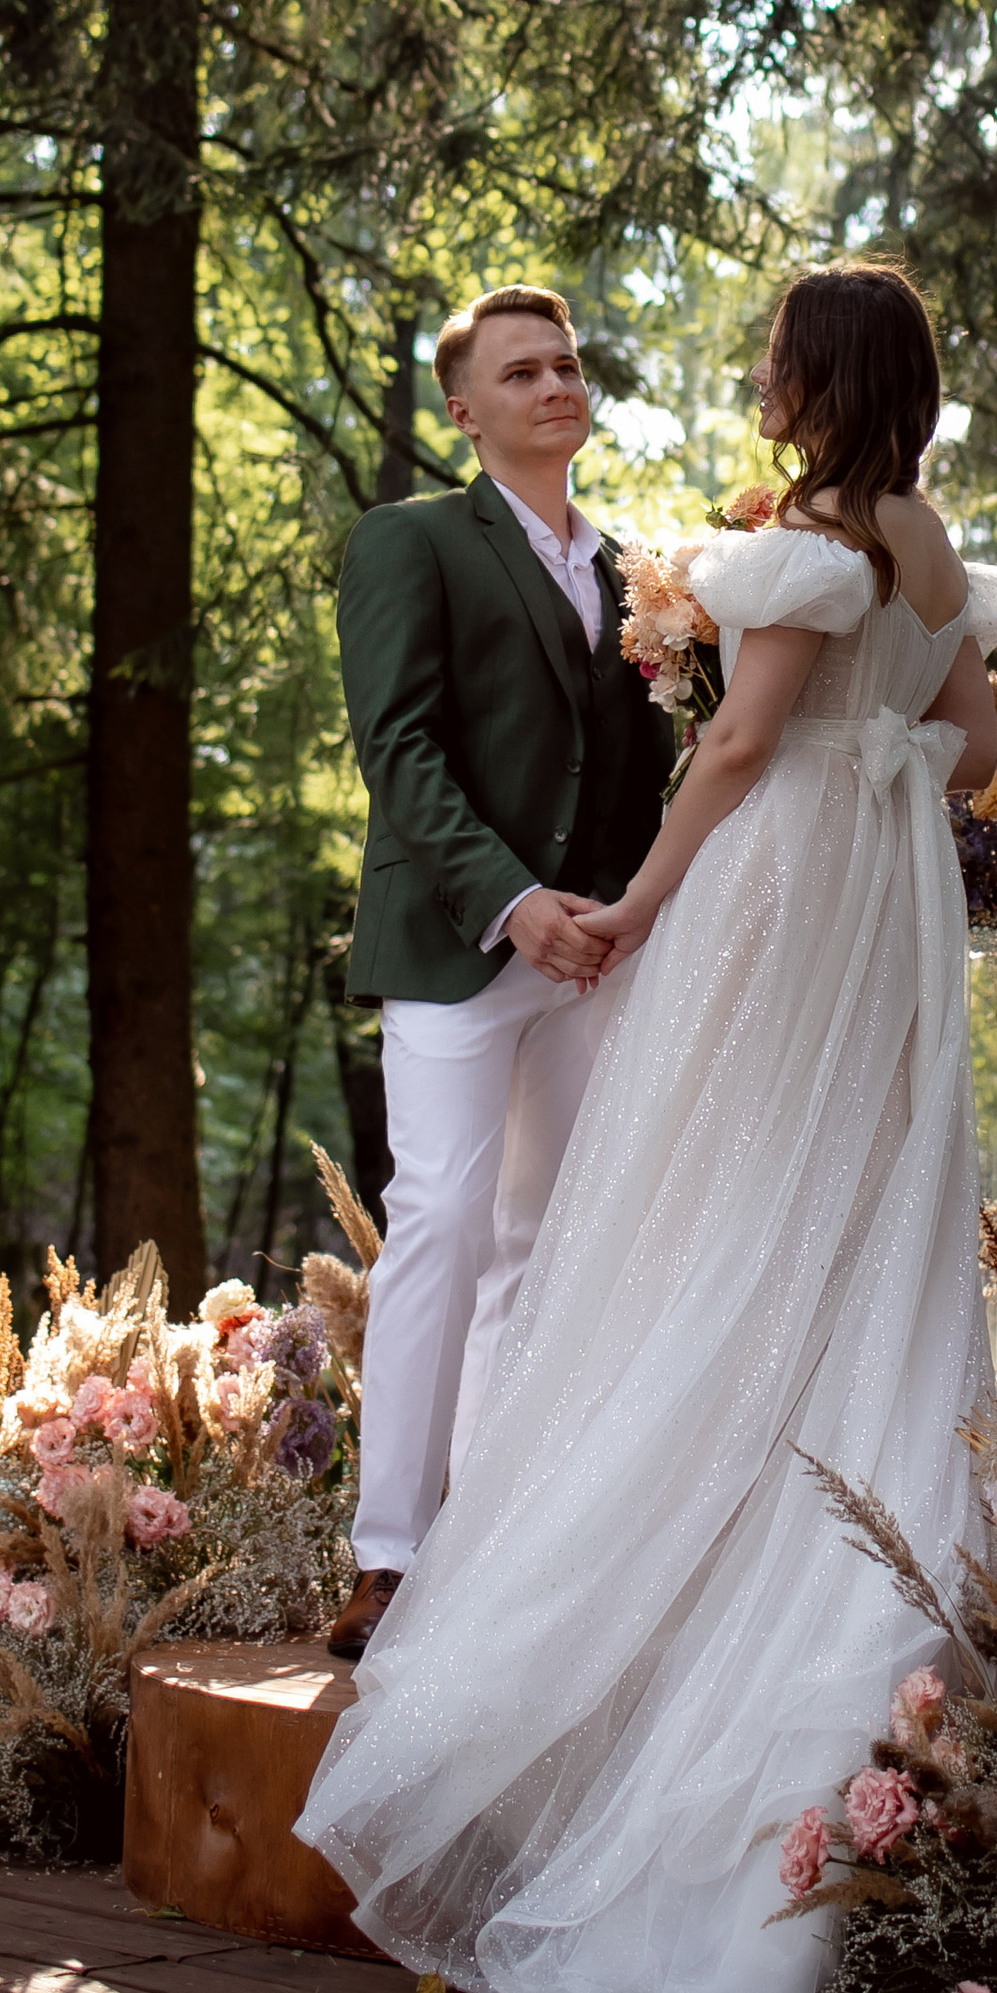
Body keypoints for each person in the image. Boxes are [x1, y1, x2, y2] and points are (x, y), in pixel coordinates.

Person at [299, 260, 997, 1993]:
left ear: (827, 378)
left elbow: (737, 743)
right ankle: (417, 1541)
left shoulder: (786, 549)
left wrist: (668, 874)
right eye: (523, 367)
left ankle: (568, 1570)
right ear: (467, 400)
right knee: (823, 1219)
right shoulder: (933, 551)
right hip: (874, 913)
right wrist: (877, 780)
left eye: (782, 355)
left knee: (687, 1225)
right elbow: (981, 761)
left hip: (768, 894)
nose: (756, 373)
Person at [323, 284, 674, 1665]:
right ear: (465, 412)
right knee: (443, 1224)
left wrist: (628, 914)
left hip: (600, 954)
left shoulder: (645, 576)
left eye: (568, 365)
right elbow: (398, 746)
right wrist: (515, 903)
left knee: (545, 1248)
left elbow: (657, 767)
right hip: (464, 945)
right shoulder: (409, 544)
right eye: (521, 372)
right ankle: (391, 1558)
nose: (554, 385)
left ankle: (491, 1546)